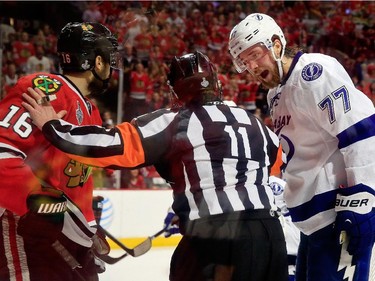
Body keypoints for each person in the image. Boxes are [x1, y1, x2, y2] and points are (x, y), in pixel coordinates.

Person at [23, 51, 288, 281]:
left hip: (214, 238)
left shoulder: (175, 121)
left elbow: (109, 145)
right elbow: (274, 169)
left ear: (177, 90)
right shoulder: (253, 122)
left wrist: (53, 126)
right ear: (216, 85)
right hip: (269, 236)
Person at [228, 13, 375, 281]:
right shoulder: (275, 94)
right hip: (311, 225)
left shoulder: (314, 73)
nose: (251, 66)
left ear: (276, 44)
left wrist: (362, 199)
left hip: (337, 218)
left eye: (255, 54)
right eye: (245, 62)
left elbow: (362, 132)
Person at [0, 21, 122, 280]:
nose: (112, 67)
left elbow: (74, 181)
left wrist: (86, 231)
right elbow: (2, 156)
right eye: (109, 60)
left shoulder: (92, 111)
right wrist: (40, 204)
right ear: (97, 62)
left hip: (67, 241)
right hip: (30, 236)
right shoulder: (44, 88)